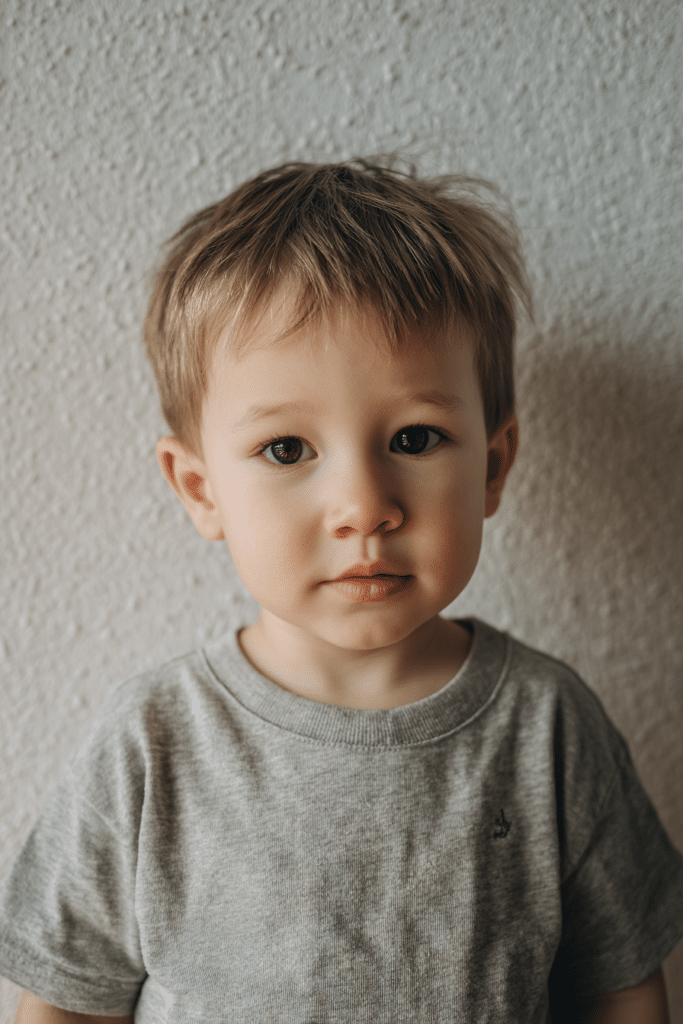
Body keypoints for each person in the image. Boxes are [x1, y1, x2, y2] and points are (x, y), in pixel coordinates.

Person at [1, 160, 681, 1024]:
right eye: (287, 449)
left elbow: (620, 991)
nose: (363, 507)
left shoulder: (547, 729)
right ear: (201, 489)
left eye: (415, 436)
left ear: (492, 467)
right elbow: (66, 1003)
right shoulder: (152, 745)